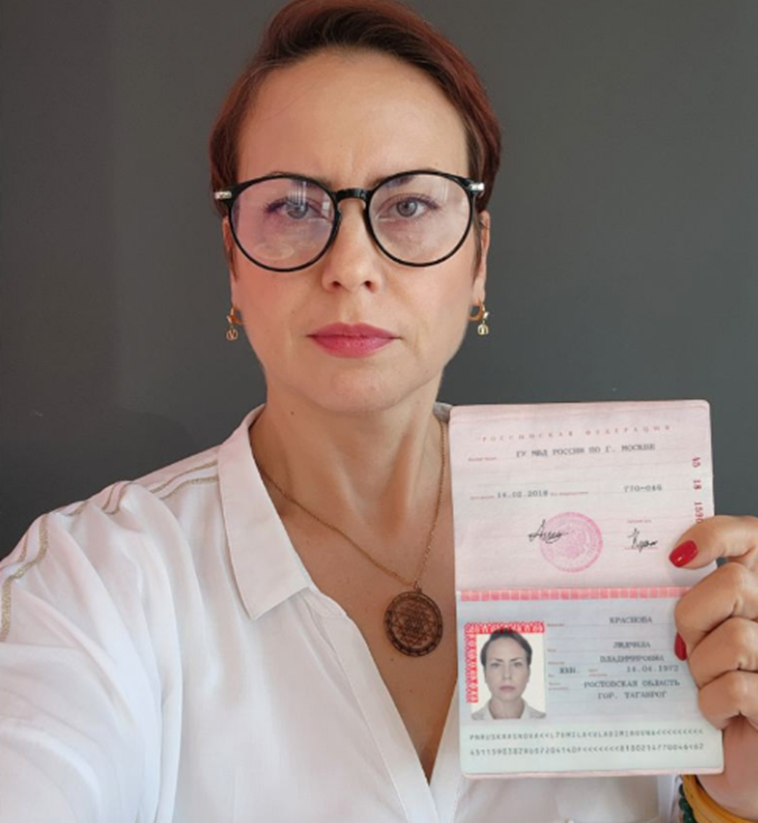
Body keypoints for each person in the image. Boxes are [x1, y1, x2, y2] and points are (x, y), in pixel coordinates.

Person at [1, 0, 756, 821]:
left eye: (409, 204)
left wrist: (735, 798)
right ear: (233, 262)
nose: (351, 265)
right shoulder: (94, 583)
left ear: (478, 259)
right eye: (293, 207)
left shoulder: (644, 554)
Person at [471, 629, 546, 720]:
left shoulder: (547, 722)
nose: (507, 675)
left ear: (528, 672)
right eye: (496, 665)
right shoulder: (466, 723)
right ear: (484, 673)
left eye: (516, 664)